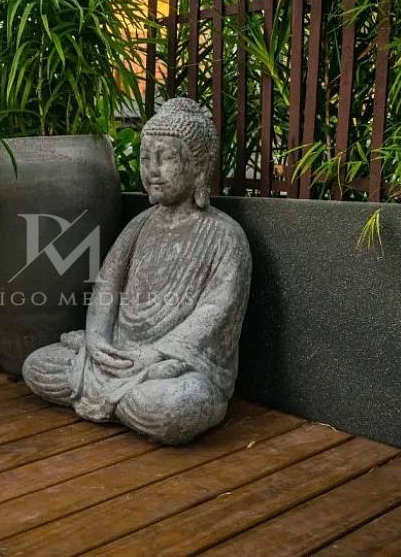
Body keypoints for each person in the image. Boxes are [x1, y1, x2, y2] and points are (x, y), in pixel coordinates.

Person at [22, 97, 252, 445]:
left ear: (199, 167)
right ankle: (120, 399)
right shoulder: (140, 225)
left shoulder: (225, 235)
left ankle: (120, 399)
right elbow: (107, 286)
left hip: (173, 364)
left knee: (174, 407)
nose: (152, 170)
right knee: (37, 365)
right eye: (146, 159)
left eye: (166, 158)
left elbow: (215, 312)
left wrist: (156, 355)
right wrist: (97, 339)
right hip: (120, 351)